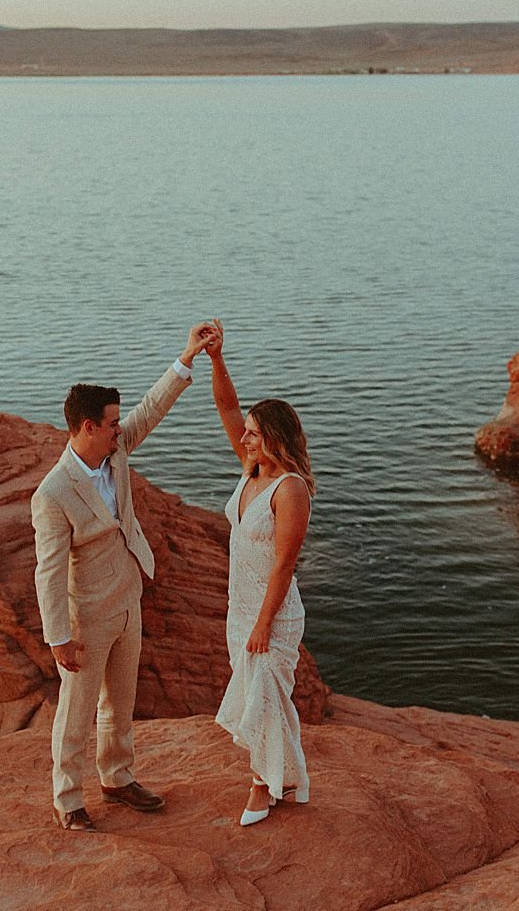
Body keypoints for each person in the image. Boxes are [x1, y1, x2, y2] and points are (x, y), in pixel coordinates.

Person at [32, 322, 216, 832]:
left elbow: (151, 409)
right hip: (86, 612)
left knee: (122, 701)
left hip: (128, 597)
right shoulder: (52, 494)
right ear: (87, 427)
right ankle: (67, 799)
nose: (120, 427)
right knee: (77, 711)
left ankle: (117, 777)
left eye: (118, 423)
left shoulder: (116, 451)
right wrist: (58, 638)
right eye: (111, 422)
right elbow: (47, 570)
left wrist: (187, 357)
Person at [204, 319, 315, 827]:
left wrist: (265, 624)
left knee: (265, 696)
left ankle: (261, 786)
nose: (243, 437)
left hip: (270, 613)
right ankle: (286, 777)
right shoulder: (252, 469)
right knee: (260, 696)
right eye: (245, 432)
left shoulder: (289, 489)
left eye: (252, 432)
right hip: (240, 608)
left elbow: (285, 564)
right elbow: (227, 407)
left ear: (272, 438)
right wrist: (216, 359)